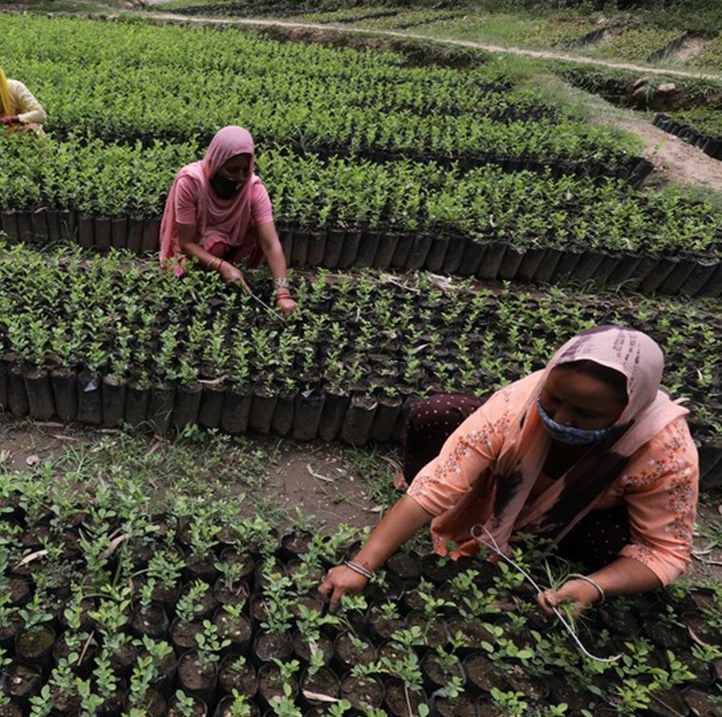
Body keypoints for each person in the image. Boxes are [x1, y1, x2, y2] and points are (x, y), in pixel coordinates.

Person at [318, 326, 698, 619]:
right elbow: (435, 487)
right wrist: (360, 564)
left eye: (585, 413)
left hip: (580, 515)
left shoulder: (664, 451)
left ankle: (545, 545)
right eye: (554, 397)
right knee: (437, 415)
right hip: (498, 486)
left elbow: (665, 552)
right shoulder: (515, 407)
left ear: (629, 410)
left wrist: (594, 585)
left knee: (613, 542)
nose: (561, 418)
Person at [158, 126, 298, 317]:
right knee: (212, 250)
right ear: (216, 163)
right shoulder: (191, 182)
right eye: (232, 170)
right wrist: (222, 266)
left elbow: (271, 244)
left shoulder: (253, 189)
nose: (239, 177)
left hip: (235, 241)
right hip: (199, 242)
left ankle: (230, 263)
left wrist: (283, 294)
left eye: (244, 169)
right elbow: (186, 243)